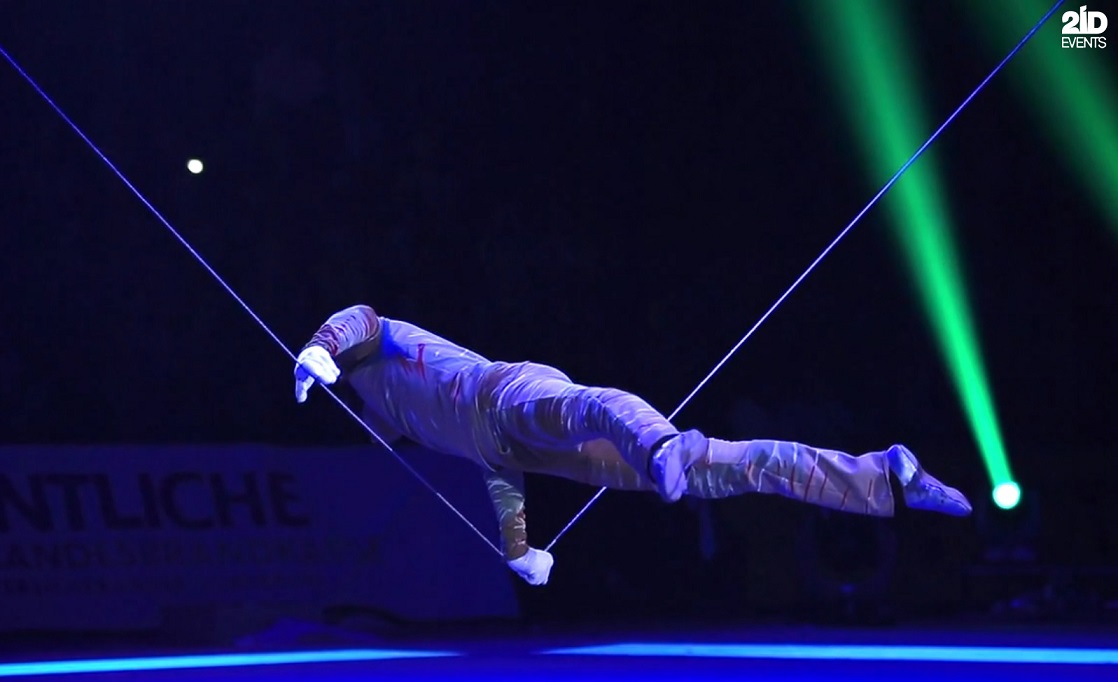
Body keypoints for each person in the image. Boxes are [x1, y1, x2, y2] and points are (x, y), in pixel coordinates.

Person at [294, 304, 972, 586]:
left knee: (591, 407)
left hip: (501, 392)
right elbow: (494, 468)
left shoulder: (377, 348)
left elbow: (361, 318)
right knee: (723, 470)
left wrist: (320, 347)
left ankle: (660, 444)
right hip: (516, 450)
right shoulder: (397, 419)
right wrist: (518, 551)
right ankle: (884, 477)